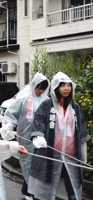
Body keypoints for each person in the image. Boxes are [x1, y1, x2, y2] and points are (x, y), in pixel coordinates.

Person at [28, 72, 89, 200]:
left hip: (70, 156)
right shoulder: (46, 105)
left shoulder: (75, 107)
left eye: (69, 85)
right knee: (45, 187)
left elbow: (81, 131)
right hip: (50, 156)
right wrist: (39, 138)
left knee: (73, 187)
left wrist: (83, 155)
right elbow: (38, 123)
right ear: (56, 87)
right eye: (62, 85)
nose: (66, 88)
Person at [0, 72, 49, 199]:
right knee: (27, 166)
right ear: (33, 86)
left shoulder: (47, 102)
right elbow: (11, 114)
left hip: (42, 140)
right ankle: (29, 192)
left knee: (38, 167)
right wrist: (8, 125)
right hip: (25, 139)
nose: (40, 91)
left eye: (43, 88)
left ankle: (30, 191)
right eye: (38, 87)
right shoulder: (23, 100)